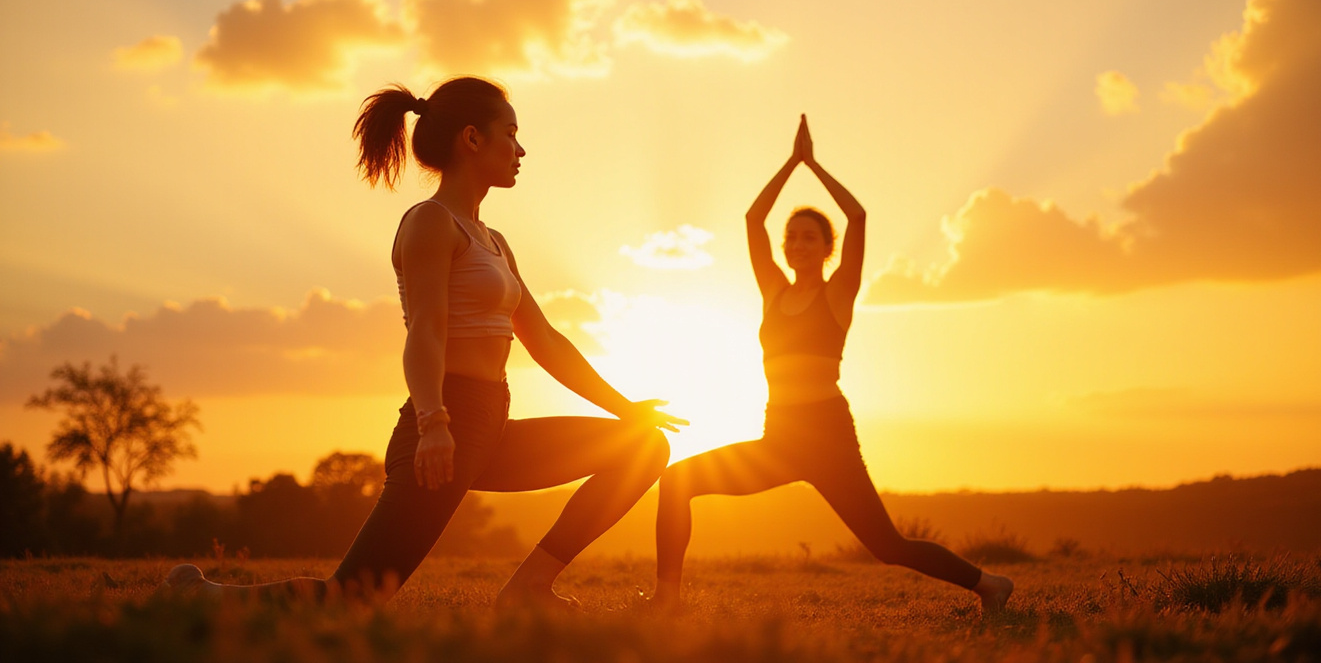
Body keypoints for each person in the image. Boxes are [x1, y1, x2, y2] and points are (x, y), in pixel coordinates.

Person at [163, 76, 685, 608]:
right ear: (472, 139)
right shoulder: (430, 223)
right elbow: (427, 333)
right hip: (445, 426)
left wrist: (627, 409)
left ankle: (529, 586)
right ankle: (198, 597)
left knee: (644, 446)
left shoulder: (494, 241)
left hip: (491, 424)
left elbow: (545, 340)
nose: (521, 149)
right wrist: (434, 422)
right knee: (351, 599)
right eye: (510, 133)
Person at [650, 115, 1013, 613]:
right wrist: (788, 164)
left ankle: (989, 584)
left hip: (827, 437)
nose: (797, 244)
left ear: (827, 248)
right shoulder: (773, 293)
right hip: (778, 437)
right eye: (791, 238)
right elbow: (753, 221)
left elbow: (858, 217)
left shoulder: (837, 294)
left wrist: (813, 165)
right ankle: (666, 599)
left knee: (888, 547)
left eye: (808, 237)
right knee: (677, 481)